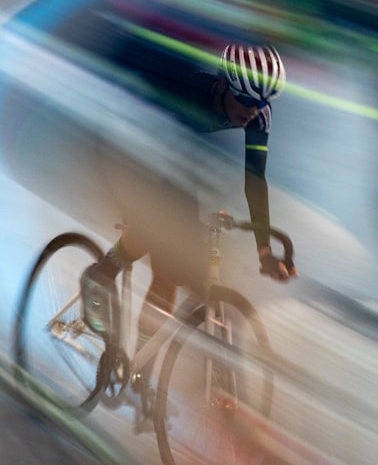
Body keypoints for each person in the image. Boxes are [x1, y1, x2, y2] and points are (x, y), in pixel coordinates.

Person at [80, 42, 297, 362]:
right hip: (127, 141)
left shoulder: (258, 115)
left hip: (166, 153)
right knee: (162, 234)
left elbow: (254, 180)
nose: (253, 109)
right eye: (247, 99)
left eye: (263, 101)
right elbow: (162, 175)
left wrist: (264, 250)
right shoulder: (188, 94)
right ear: (223, 85)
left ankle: (139, 363)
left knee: (168, 271)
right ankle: (100, 275)